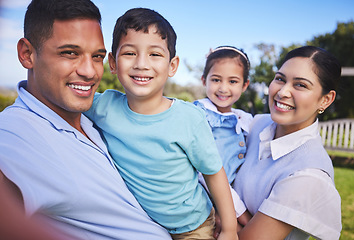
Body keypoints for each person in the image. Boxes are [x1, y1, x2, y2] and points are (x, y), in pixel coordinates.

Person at [0, 0, 172, 239]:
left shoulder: (97, 118)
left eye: (97, 56)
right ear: (27, 54)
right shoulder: (13, 132)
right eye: (70, 53)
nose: (90, 72)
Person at [84, 8, 237, 240]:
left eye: (155, 54)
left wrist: (229, 228)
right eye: (130, 54)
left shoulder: (189, 118)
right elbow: (62, 101)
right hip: (141, 225)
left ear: (172, 66)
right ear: (113, 63)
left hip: (193, 226)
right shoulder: (102, 106)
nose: (142, 64)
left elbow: (214, 173)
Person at [233, 46, 342, 239]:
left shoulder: (309, 174)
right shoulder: (256, 124)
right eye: (280, 79)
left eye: (300, 85)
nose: (282, 92)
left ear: (325, 100)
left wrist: (218, 215)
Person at [193, 46, 253, 230]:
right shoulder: (199, 114)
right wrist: (241, 212)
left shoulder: (244, 120)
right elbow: (205, 170)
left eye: (233, 81)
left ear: (244, 85)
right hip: (201, 196)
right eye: (216, 79)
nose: (223, 88)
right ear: (204, 80)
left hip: (228, 200)